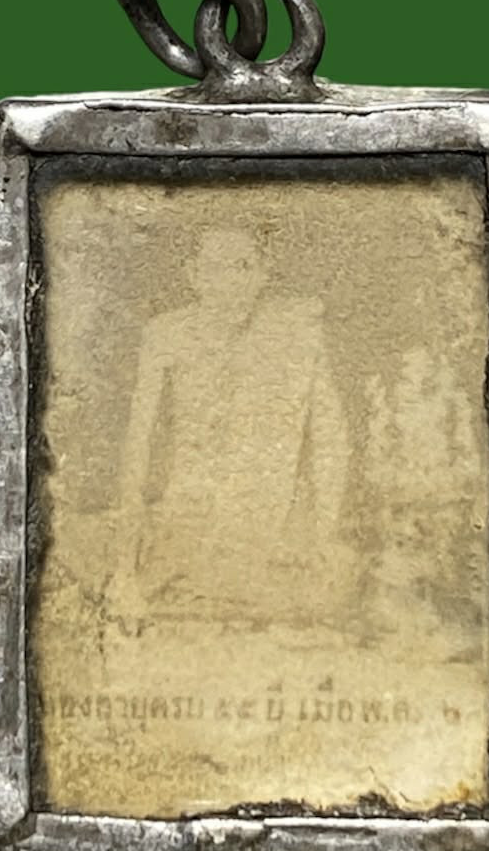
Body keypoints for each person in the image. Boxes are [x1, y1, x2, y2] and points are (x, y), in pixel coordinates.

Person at [106, 225, 350, 621]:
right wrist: (125, 562)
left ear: (264, 273)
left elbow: (330, 438)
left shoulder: (298, 334)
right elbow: (139, 444)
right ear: (193, 274)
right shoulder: (167, 335)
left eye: (243, 266)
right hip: (188, 518)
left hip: (268, 524)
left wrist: (324, 535)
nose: (230, 282)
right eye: (215, 268)